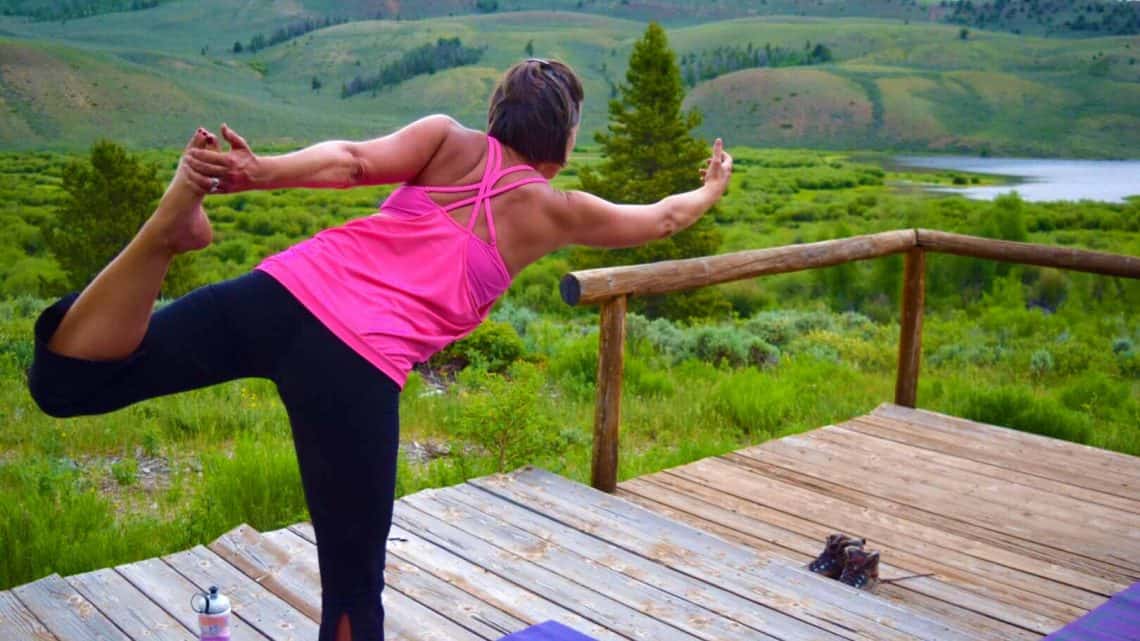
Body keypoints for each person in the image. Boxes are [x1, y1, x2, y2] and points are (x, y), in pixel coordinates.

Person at [27, 59, 732, 641]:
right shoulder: (558, 210)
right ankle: (164, 233)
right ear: (566, 138)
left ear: (497, 118)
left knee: (65, 384)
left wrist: (257, 171)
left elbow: (350, 161)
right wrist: (710, 187)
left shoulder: (444, 139)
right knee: (352, 591)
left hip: (284, 291)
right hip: (354, 367)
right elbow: (664, 219)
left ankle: (163, 234)